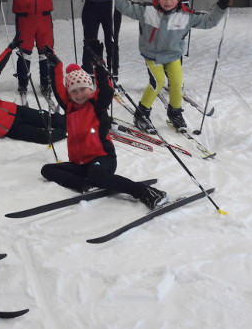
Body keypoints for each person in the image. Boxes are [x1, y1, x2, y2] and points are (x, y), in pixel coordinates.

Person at [101, 0, 237, 133]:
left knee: (177, 84)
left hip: (173, 56)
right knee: (158, 82)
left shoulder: (186, 15)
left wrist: (221, 6)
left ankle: (175, 113)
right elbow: (124, 6)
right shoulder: (147, 11)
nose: (167, 1)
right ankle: (142, 114)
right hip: (152, 55)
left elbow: (209, 21)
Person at [40, 44, 168, 210]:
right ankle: (85, 184)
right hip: (81, 164)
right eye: (74, 92)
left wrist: (99, 65)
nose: (79, 95)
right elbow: (58, 89)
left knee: (98, 175)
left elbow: (106, 90)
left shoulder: (96, 105)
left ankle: (148, 192)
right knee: (48, 169)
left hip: (103, 159)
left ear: (90, 88)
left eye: (83, 89)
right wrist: (54, 63)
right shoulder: (70, 107)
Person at [0, 0, 72, 97]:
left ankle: (46, 82)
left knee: (46, 53)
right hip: (25, 20)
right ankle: (23, 82)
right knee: (24, 53)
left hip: (44, 19)